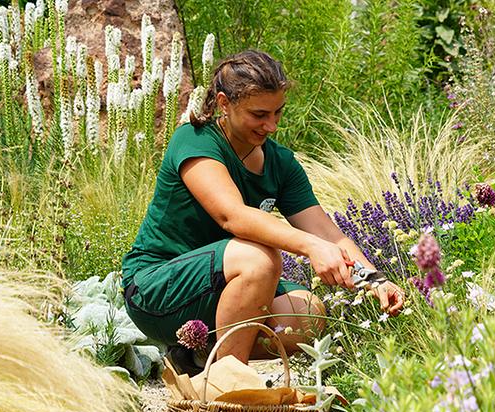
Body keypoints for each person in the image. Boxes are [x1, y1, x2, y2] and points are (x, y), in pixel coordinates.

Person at [121, 49, 404, 375]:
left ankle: (197, 356)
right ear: (224, 103)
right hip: (157, 291)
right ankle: (226, 381)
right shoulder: (195, 140)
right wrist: (311, 248)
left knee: (307, 315)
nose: (271, 125)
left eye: (277, 113)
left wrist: (375, 282)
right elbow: (233, 216)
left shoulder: (280, 164)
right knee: (259, 258)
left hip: (223, 294)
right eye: (259, 115)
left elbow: (328, 235)